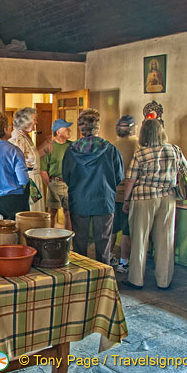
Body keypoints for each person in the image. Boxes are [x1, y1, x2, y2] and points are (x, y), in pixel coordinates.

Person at [122, 118, 187, 289]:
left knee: (140, 238)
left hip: (144, 197)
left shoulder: (141, 153)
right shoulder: (174, 149)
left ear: (144, 133)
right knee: (165, 239)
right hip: (168, 197)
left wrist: (126, 199)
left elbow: (131, 178)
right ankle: (164, 280)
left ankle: (136, 279)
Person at [62, 108, 124, 263]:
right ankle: (103, 281)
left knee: (80, 243)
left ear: (80, 128)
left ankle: (82, 279)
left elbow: (66, 176)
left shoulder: (71, 150)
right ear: (98, 126)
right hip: (104, 200)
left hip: (79, 200)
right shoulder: (110, 149)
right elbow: (119, 176)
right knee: (104, 245)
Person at [104, 115, 139, 273]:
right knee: (127, 231)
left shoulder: (111, 146)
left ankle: (108, 257)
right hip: (130, 194)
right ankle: (124, 262)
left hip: (112, 193)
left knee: (111, 229)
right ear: (134, 128)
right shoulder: (139, 145)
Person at [8, 107, 45, 212]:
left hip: (35, 179)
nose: (36, 122)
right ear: (25, 121)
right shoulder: (17, 138)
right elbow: (18, 163)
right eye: (34, 119)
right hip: (27, 180)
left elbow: (32, 157)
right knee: (31, 214)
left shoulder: (26, 136)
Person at [40, 118, 73, 229]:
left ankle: (69, 240)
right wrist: (49, 185)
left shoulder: (72, 146)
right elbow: (43, 170)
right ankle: (51, 238)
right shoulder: (50, 147)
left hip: (69, 184)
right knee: (52, 213)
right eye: (66, 128)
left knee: (69, 213)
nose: (69, 130)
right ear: (58, 132)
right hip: (54, 183)